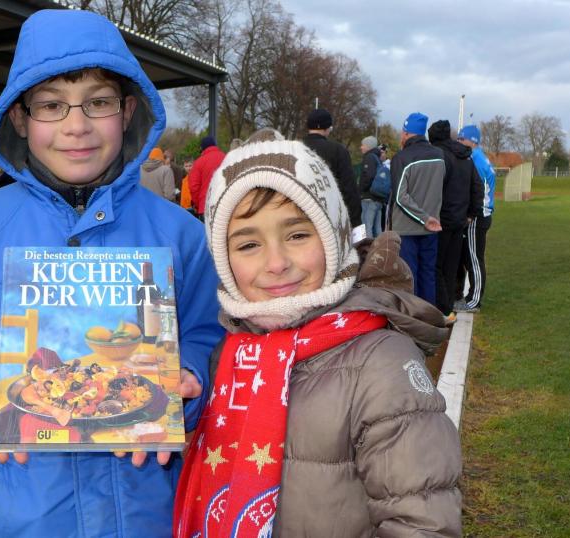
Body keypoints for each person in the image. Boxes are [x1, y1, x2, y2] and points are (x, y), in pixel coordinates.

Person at [0, 9, 223, 537]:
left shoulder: (182, 234)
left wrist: (190, 380)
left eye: (99, 102)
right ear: (20, 118)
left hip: (152, 517)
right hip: (24, 521)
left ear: (128, 110)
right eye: (51, 105)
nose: (77, 126)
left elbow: (213, 343)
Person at [173, 129, 462, 537]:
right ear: (224, 260)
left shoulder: (381, 365)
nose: (276, 263)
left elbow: (422, 523)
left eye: (297, 235)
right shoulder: (232, 351)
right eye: (248, 244)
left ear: (334, 237)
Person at [429, 120, 483, 324]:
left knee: (436, 265)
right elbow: (477, 187)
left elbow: (435, 188)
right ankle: (449, 302)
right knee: (451, 266)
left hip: (441, 219)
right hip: (459, 219)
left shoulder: (439, 156)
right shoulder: (466, 158)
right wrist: (471, 213)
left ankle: (440, 307)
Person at [388, 112, 445, 305]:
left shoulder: (401, 157)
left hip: (408, 229)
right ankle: (428, 315)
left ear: (406, 133)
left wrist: (424, 218)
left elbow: (400, 196)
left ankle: (414, 317)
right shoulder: (439, 156)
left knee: (409, 276)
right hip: (432, 227)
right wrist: (430, 218)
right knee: (428, 274)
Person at [302, 107, 365, 243]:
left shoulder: (294, 148)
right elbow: (349, 189)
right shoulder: (338, 150)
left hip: (300, 217)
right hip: (330, 219)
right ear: (328, 128)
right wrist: (356, 222)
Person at [456, 125, 495, 314]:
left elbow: (476, 191)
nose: (459, 142)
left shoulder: (475, 160)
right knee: (470, 257)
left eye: (462, 139)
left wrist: (471, 214)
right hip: (482, 213)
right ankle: (470, 297)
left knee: (474, 258)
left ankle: (474, 301)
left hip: (478, 216)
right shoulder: (479, 157)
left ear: (473, 141)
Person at [188, 136, 225, 218]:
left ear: (202, 148)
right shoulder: (226, 157)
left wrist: (198, 204)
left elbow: (194, 187)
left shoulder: (198, 162)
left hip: (205, 206)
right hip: (225, 205)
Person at [358, 134, 384, 239]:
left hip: (368, 198)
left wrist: (360, 190)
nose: (361, 147)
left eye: (363, 145)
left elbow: (368, 176)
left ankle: (368, 248)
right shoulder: (377, 159)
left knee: (366, 227)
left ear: (368, 146)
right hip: (378, 199)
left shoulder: (369, 157)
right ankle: (382, 247)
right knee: (377, 228)